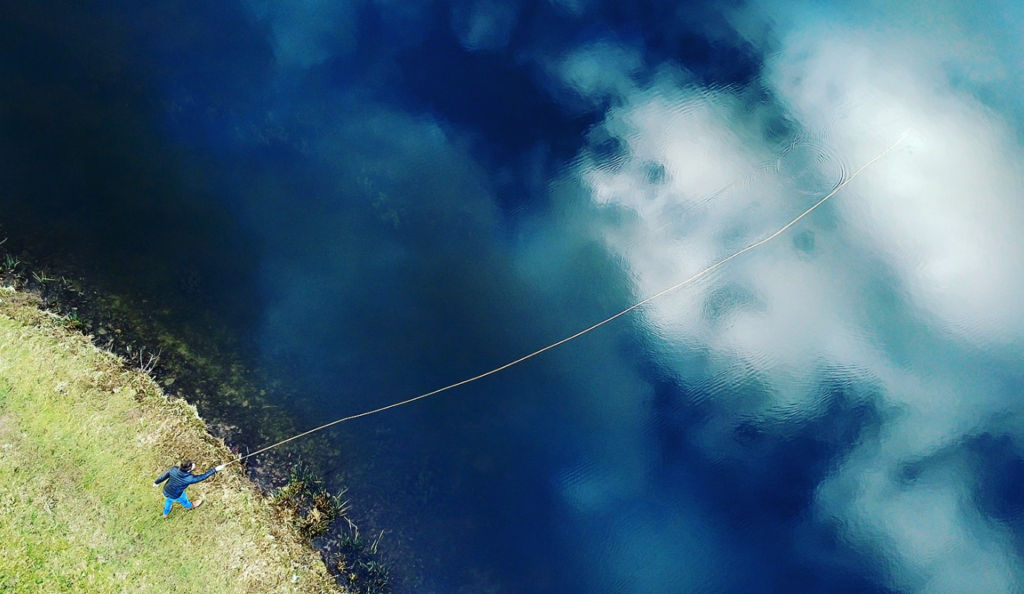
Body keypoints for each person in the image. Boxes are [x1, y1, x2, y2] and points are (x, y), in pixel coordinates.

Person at [153, 459, 225, 518]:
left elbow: (163, 476)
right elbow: (203, 477)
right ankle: (190, 506)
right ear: (188, 470)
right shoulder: (189, 478)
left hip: (166, 491)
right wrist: (215, 469)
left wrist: (156, 483)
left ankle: (165, 514)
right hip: (177, 495)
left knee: (168, 500)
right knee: (184, 500)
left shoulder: (173, 469)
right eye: (193, 466)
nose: (194, 465)